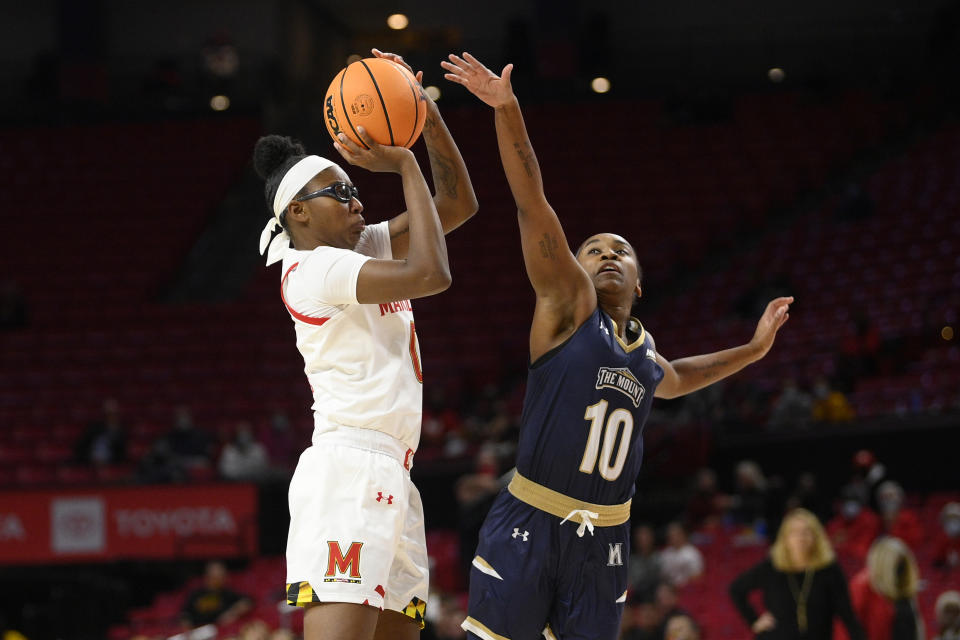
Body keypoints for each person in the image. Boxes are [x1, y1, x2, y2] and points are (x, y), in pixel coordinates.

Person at [442, 51, 793, 640]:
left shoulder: (642, 352)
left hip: (605, 537)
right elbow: (533, 204)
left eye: (620, 249)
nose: (606, 254)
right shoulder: (566, 308)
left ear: (639, 279)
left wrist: (754, 350)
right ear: (573, 267)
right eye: (593, 248)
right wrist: (507, 111)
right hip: (531, 519)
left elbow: (678, 375)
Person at [254, 49, 477, 640]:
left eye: (355, 189)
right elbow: (434, 275)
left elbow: (457, 205)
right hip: (348, 470)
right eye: (339, 193)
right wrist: (405, 166)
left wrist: (424, 113)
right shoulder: (313, 269)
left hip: (395, 471)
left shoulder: (358, 248)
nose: (357, 201)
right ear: (298, 212)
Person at [729, 508, 865, 639]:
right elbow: (736, 589)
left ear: (816, 537)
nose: (800, 538)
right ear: (784, 538)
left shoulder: (829, 570)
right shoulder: (771, 567)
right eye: (794, 532)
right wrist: (754, 620)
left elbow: (848, 616)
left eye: (806, 532)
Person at [841, 537, 925, 640]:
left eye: (901, 567)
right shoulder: (864, 588)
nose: (899, 571)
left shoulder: (904, 591)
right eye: (896, 567)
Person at [180, 561, 253, 628]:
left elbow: (248, 601)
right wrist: (186, 623)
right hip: (198, 632)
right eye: (213, 577)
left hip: (220, 631)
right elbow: (185, 614)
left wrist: (233, 612)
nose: (216, 580)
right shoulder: (196, 594)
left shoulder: (228, 594)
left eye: (219, 576)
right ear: (206, 576)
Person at [826, 487, 881, 562]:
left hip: (863, 564)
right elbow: (827, 548)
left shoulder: (869, 520)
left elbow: (862, 550)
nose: (850, 505)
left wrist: (841, 546)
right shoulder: (835, 522)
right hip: (839, 564)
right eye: (847, 500)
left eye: (854, 500)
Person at [875, 481, 924, 549]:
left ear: (899, 498)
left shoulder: (910, 518)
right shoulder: (875, 520)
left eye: (891, 496)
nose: (888, 500)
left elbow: (916, 542)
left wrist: (893, 524)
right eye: (884, 497)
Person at [659, 522, 704, 587]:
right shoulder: (666, 553)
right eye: (671, 535)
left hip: (687, 589)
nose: (673, 537)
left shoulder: (692, 553)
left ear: (683, 534)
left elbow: (697, 576)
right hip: (670, 588)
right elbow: (662, 575)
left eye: (676, 534)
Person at [933, 502, 960, 569]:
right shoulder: (940, 540)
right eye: (949, 519)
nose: (953, 522)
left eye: (956, 518)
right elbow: (935, 562)